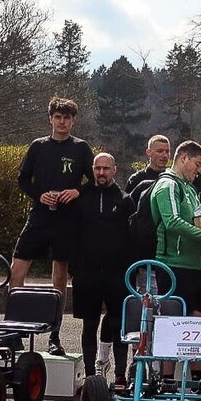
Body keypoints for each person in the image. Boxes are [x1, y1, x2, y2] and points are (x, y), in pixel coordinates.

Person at [11, 96, 94, 355]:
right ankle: (14, 330)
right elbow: (23, 180)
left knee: (59, 276)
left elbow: (93, 181)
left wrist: (77, 191)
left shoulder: (81, 148)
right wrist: (40, 195)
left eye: (66, 118)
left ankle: (54, 334)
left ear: (73, 121)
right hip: (39, 216)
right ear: (50, 119)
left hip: (67, 219)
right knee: (17, 269)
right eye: (58, 117)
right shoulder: (38, 146)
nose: (62, 122)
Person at [151, 140, 201, 381]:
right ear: (183, 158)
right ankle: (166, 383)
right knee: (172, 325)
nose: (199, 170)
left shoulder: (190, 188)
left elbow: (198, 221)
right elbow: (172, 221)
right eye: (197, 164)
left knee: (200, 326)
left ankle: (197, 382)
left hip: (199, 268)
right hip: (175, 266)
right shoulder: (167, 184)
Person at [72, 152, 134, 388]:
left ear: (114, 170)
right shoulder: (80, 197)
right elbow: (70, 233)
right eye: (97, 168)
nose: (101, 173)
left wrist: (129, 270)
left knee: (118, 325)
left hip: (117, 275)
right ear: (92, 170)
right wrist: (74, 268)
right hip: (86, 273)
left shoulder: (125, 200)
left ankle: (119, 376)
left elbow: (133, 237)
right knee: (89, 324)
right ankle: (91, 377)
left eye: (106, 168)